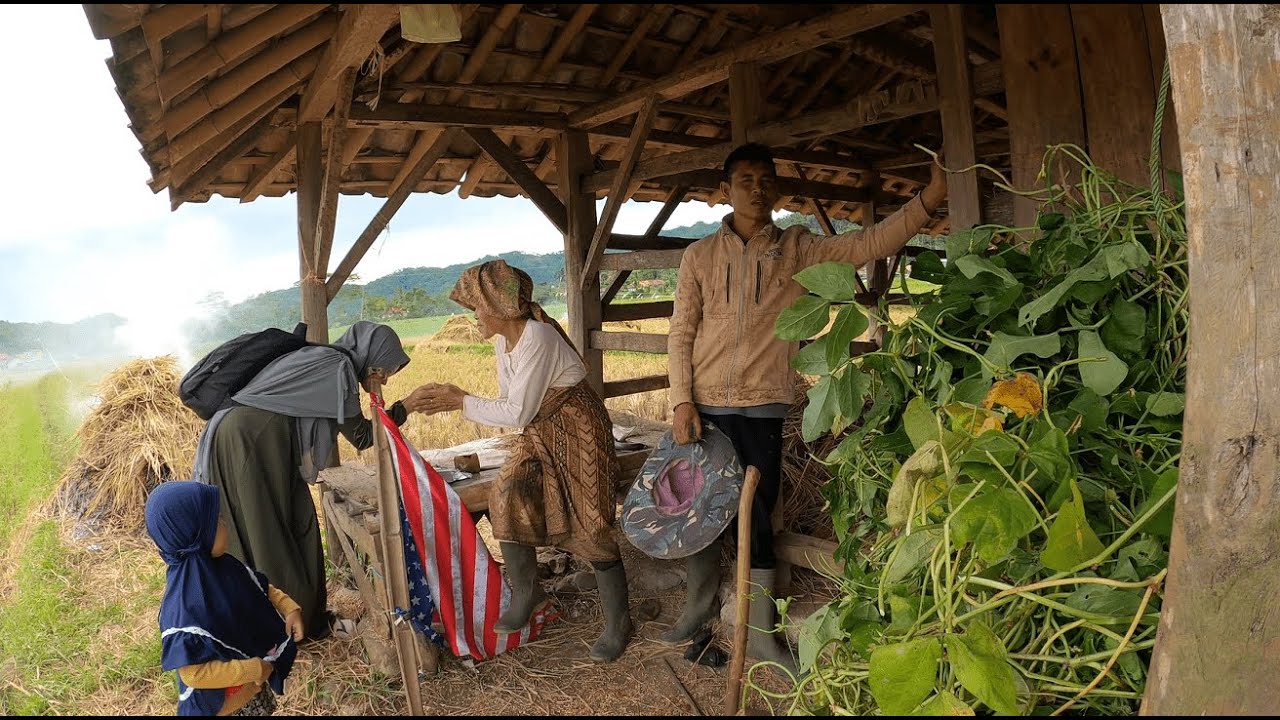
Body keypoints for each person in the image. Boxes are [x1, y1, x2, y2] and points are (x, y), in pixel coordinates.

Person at [663, 143, 948, 671]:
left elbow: (868, 243)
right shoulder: (698, 257)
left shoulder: (797, 248)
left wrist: (929, 199)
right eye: (745, 180)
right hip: (704, 406)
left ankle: (760, 634)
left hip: (764, 404)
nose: (757, 189)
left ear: (775, 190)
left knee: (756, 515)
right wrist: (682, 400)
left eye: (765, 180)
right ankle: (696, 612)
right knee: (698, 511)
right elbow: (681, 333)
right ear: (725, 190)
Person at [401, 260, 632, 663]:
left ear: (499, 306)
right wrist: (461, 397)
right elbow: (515, 404)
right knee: (507, 490)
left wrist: (460, 401)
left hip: (577, 427)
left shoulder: (538, 337)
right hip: (541, 428)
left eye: (477, 307)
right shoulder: (503, 343)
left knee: (591, 520)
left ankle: (619, 623)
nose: (474, 316)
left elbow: (517, 411)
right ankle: (527, 593)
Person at [192, 321, 413, 640]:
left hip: (243, 436)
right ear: (371, 357)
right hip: (253, 441)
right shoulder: (337, 369)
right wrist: (407, 407)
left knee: (278, 525)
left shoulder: (325, 360)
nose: (384, 379)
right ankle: (289, 627)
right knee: (271, 533)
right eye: (383, 370)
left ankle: (281, 619)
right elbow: (363, 436)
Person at [144, 481, 304, 716]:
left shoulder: (221, 566)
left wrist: (289, 608)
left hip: (251, 690)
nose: (225, 523)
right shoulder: (185, 606)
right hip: (225, 706)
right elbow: (194, 674)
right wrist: (253, 669)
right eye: (216, 520)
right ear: (197, 535)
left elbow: (256, 588)